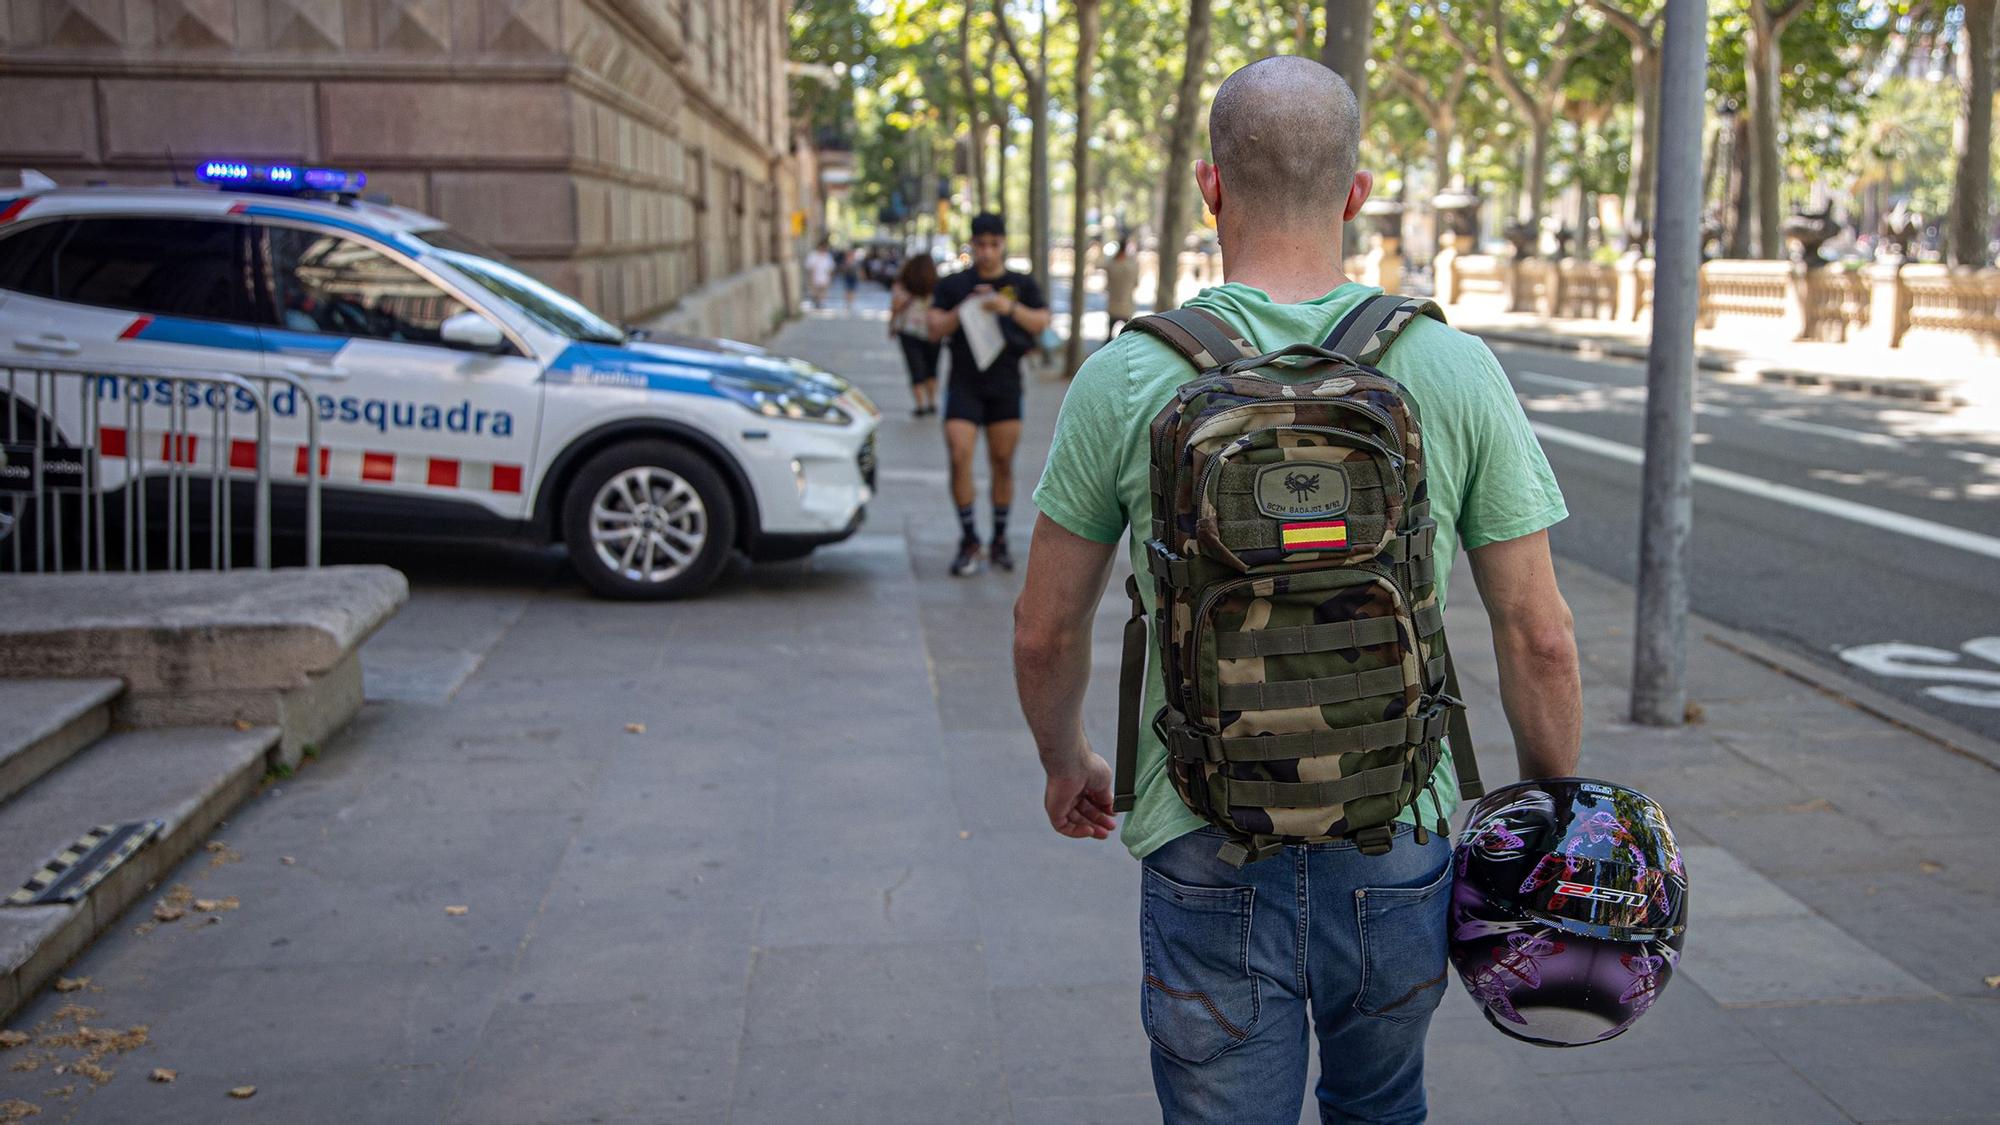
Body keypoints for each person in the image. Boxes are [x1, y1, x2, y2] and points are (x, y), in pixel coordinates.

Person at [1012, 56, 1582, 1124]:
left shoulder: (1131, 375)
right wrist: (1545, 817)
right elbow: (1536, 633)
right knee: (1381, 1105)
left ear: (1208, 185)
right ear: (1355, 192)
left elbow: (1044, 630)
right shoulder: (1448, 366)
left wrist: (1069, 762)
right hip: (1397, 838)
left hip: (1200, 835)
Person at [928, 212, 1051, 577]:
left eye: (993, 245)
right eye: (980, 245)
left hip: (1005, 385)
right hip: (963, 384)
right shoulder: (954, 284)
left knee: (1002, 462)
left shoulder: (1019, 284)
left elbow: (1042, 323)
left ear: (1003, 244)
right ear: (972, 245)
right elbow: (933, 328)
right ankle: (969, 539)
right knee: (959, 452)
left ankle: (998, 538)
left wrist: (1006, 306)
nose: (986, 252)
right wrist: (963, 310)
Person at [890, 254, 941, 416]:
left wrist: (891, 326)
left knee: (915, 368)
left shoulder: (903, 285)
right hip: (933, 331)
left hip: (909, 331)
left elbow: (895, 307)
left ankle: (920, 405)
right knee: (932, 367)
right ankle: (932, 401)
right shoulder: (937, 286)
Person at [1103, 237, 1139, 337]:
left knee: (1109, 336)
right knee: (1127, 336)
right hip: (1126, 306)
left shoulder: (1111, 264)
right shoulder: (1132, 266)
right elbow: (1136, 283)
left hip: (1113, 305)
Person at [805, 241, 834, 308]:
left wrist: (830, 276)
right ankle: (816, 301)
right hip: (814, 276)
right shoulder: (813, 255)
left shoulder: (827, 256)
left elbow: (830, 267)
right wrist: (811, 276)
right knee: (815, 291)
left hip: (824, 277)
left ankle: (820, 302)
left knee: (823, 291)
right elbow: (809, 266)